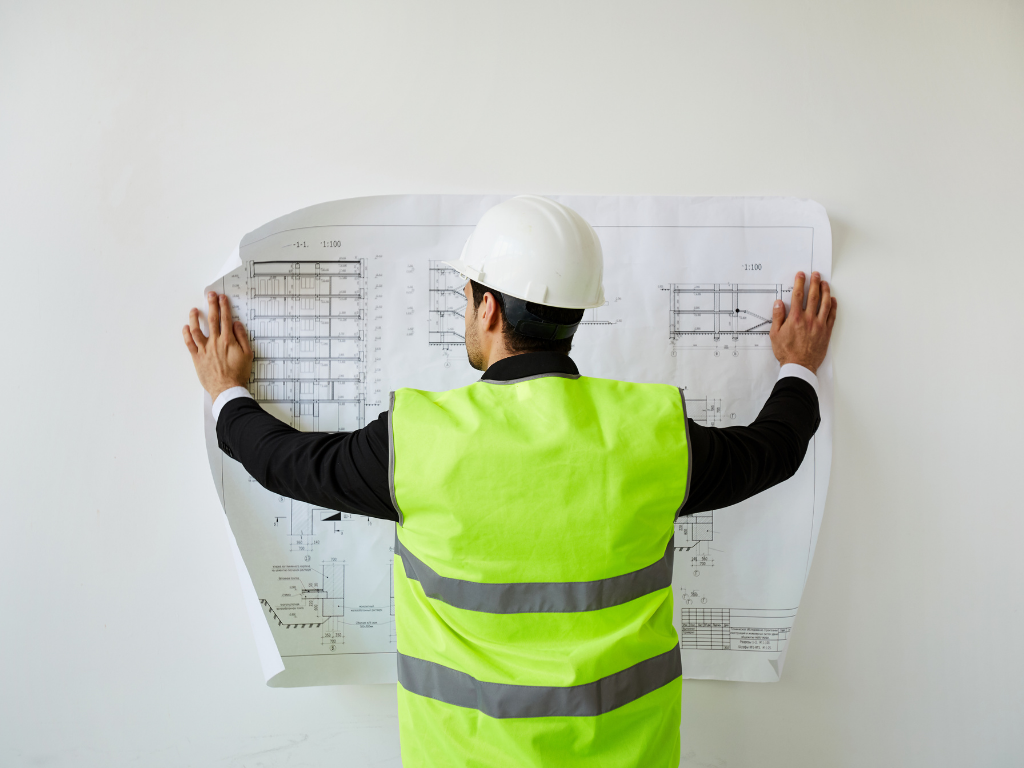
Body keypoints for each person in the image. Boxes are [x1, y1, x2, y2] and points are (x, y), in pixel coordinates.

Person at [183, 196, 837, 768]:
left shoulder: (419, 440)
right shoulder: (651, 433)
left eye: (467, 297)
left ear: (489, 308)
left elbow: (285, 463)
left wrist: (226, 394)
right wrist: (799, 368)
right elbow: (771, 451)